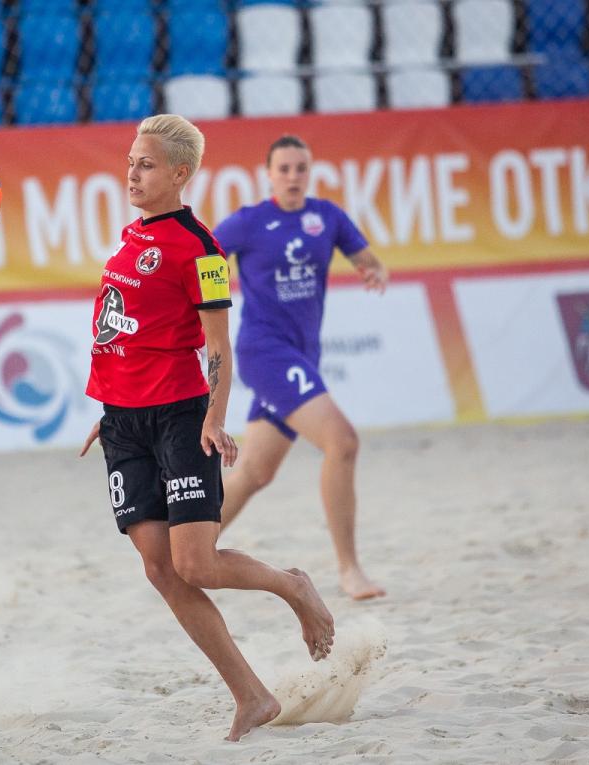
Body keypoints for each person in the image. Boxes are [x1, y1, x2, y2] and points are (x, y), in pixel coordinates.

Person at [79, 115, 335, 742]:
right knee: (159, 568)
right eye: (130, 161)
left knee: (195, 564)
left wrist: (214, 418)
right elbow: (125, 334)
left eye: (145, 165)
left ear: (180, 173)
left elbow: (218, 345)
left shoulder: (201, 248)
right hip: (123, 423)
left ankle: (293, 587)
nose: (131, 173)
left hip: (179, 417)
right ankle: (253, 696)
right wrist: (110, 409)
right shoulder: (131, 237)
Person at [213, 135, 388, 601]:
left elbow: (368, 259)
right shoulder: (249, 221)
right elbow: (201, 258)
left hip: (304, 354)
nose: (293, 176)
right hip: (264, 352)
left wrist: (374, 270)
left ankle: (184, 550)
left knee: (254, 472)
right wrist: (204, 300)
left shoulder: (327, 216)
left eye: (301, 168)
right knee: (342, 442)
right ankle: (350, 570)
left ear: (310, 173)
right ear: (269, 174)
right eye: (284, 169)